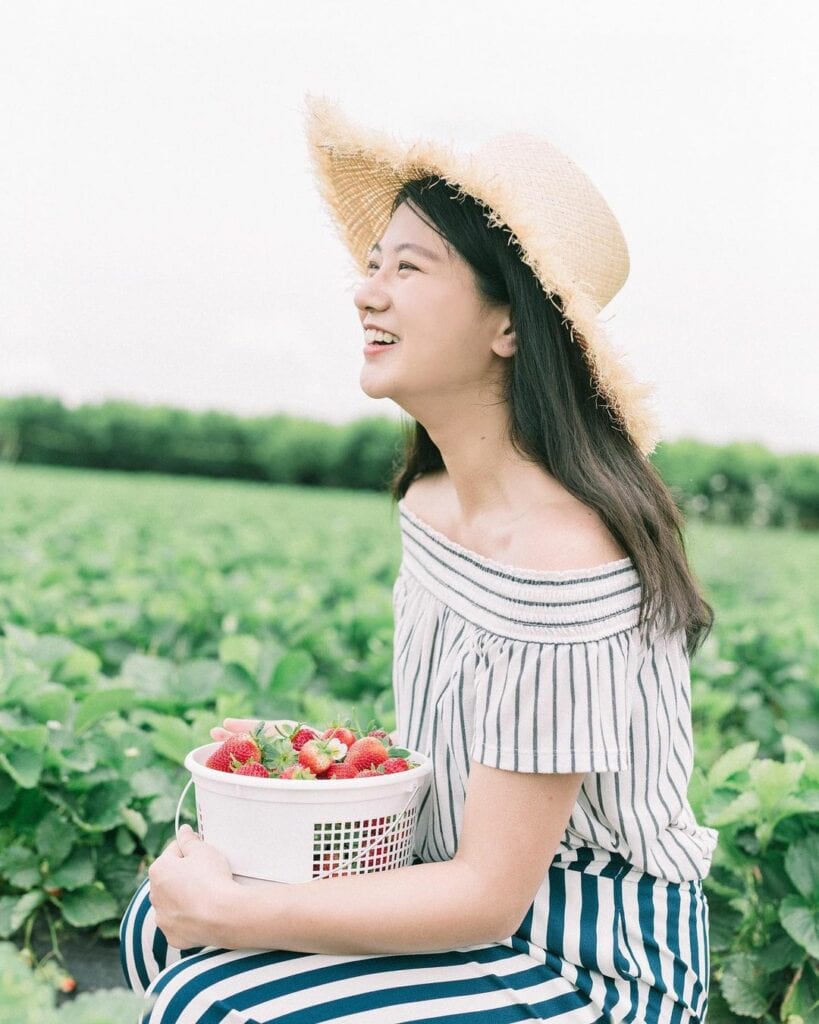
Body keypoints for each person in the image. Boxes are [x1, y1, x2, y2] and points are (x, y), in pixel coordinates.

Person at [119, 93, 719, 1023]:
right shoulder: (432, 503)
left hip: (588, 959)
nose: (367, 291)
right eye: (371, 265)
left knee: (213, 997)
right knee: (156, 927)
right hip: (453, 892)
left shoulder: (562, 557)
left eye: (409, 267)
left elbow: (490, 894)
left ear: (508, 325)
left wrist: (245, 908)